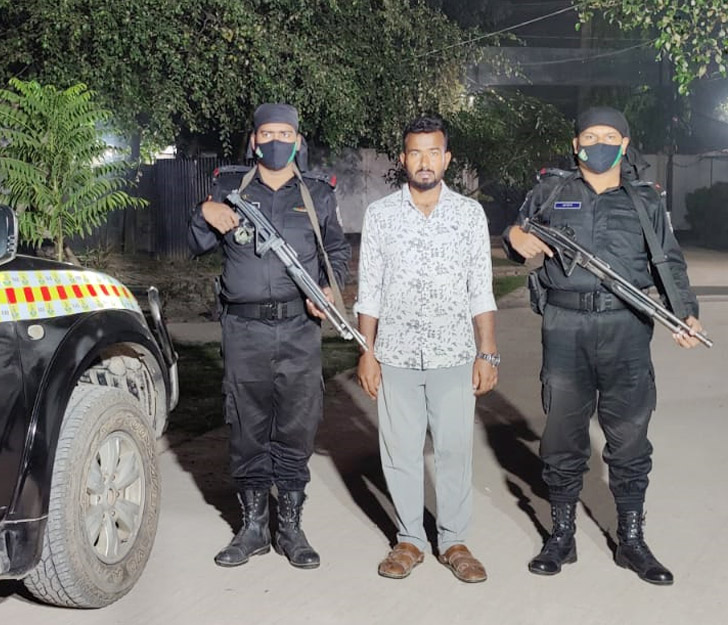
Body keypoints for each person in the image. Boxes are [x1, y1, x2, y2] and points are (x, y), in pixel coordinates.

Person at [505, 106, 704, 585]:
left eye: (609, 137)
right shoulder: (551, 191)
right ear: (575, 145)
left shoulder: (645, 200)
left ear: (624, 144)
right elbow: (517, 234)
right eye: (590, 136)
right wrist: (513, 236)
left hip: (626, 327)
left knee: (629, 435)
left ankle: (631, 540)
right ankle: (561, 535)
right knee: (562, 433)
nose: (599, 144)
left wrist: (684, 311)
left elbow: (668, 261)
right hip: (565, 327)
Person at [189, 103, 350, 569]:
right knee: (247, 426)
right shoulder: (229, 187)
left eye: (285, 133)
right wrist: (204, 210)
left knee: (297, 425)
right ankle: (254, 528)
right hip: (244, 330)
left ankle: (291, 527)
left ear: (298, 141)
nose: (276, 141)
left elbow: (336, 249)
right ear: (254, 140)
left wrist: (330, 287)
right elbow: (196, 242)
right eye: (268, 133)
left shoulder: (317, 193)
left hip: (300, 329)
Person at [350, 115, 497, 583]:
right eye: (416, 153)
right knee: (400, 452)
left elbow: (481, 288)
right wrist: (367, 351)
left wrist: (487, 351)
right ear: (403, 159)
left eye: (434, 152)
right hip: (395, 355)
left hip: (453, 354)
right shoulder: (381, 215)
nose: (425, 161)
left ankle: (453, 540)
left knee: (454, 450)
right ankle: (410, 539)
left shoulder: (469, 215)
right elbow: (369, 290)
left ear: (447, 159)